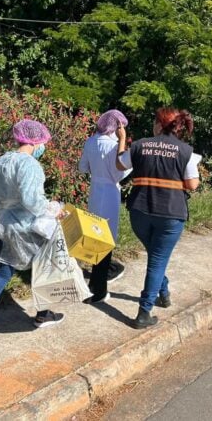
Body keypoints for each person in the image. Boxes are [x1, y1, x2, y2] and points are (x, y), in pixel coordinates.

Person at [0, 119, 66, 334]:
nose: (43, 148)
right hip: (25, 226)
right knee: (40, 267)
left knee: (4, 271)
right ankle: (42, 315)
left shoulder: (1, 162)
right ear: (34, 142)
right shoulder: (30, 165)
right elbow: (32, 200)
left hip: (2, 222)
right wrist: (53, 209)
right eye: (42, 144)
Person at [116, 107, 200, 329]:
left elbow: (119, 165)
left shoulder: (140, 145)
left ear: (160, 125)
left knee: (156, 258)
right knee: (157, 261)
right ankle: (144, 313)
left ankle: (163, 293)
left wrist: (122, 140)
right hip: (170, 215)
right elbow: (192, 184)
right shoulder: (185, 151)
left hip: (140, 212)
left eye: (154, 121)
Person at [79, 109, 132, 303]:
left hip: (95, 191)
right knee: (107, 239)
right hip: (110, 192)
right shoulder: (114, 147)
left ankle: (97, 279)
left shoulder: (90, 141)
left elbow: (82, 167)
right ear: (118, 127)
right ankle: (99, 288)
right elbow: (121, 173)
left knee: (95, 235)